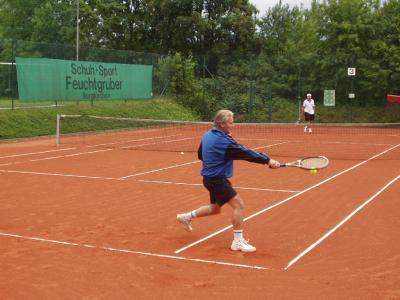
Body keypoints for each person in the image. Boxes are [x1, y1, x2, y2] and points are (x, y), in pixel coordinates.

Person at [176, 110, 281, 252]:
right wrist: (268, 160)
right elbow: (245, 153)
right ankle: (237, 242)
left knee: (215, 209)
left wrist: (215, 160)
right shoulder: (222, 142)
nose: (234, 125)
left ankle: (186, 217)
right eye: (231, 123)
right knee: (239, 205)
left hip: (211, 178)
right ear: (222, 124)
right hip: (216, 179)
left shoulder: (209, 134)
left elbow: (201, 154)